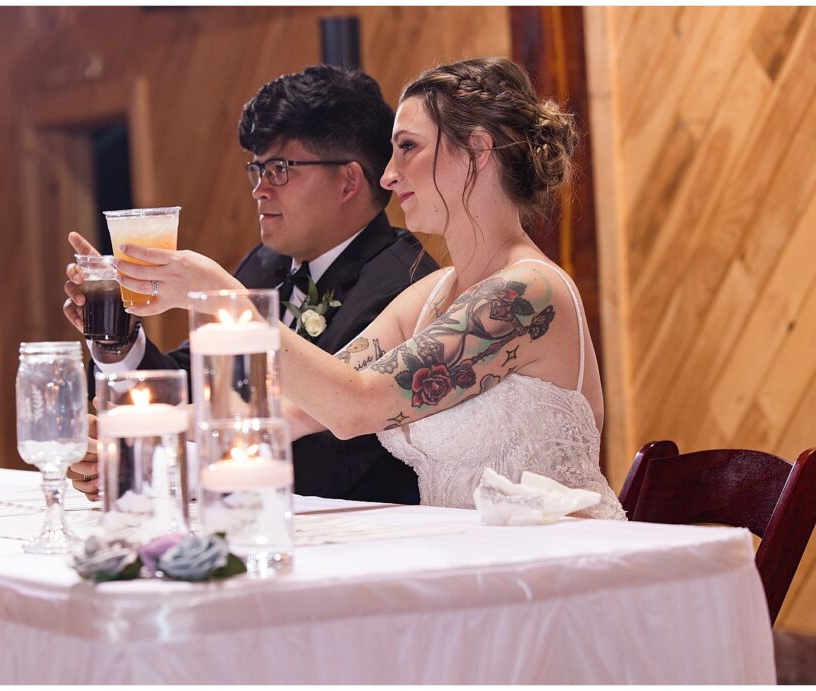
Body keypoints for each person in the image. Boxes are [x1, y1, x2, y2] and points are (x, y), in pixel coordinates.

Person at [114, 57, 626, 519]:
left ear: (476, 150)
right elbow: (302, 406)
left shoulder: (528, 293)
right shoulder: (428, 297)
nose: (388, 175)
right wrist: (144, 432)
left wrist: (221, 294)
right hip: (466, 567)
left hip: (557, 567)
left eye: (407, 148)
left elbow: (358, 408)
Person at [63, 65, 439, 505]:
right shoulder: (265, 266)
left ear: (349, 181)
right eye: (257, 170)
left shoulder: (403, 282)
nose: (259, 190)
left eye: (279, 169)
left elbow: (327, 459)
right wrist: (117, 336)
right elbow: (191, 385)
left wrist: (143, 462)